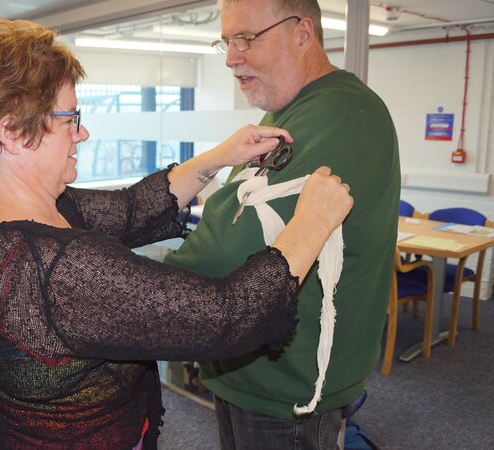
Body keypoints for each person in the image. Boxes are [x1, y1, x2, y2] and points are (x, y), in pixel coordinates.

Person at [0, 19, 354, 449]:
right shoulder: (60, 269)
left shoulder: (7, 214)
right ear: (11, 132)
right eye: (69, 118)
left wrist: (222, 156)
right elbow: (225, 317)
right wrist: (313, 223)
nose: (82, 133)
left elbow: (131, 209)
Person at [164, 0, 400, 447]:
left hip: (289, 389)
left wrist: (127, 288)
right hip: (245, 368)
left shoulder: (342, 114)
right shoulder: (284, 111)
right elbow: (234, 214)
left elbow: (227, 247)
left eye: (246, 39)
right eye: (226, 42)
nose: (231, 58)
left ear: (303, 33)